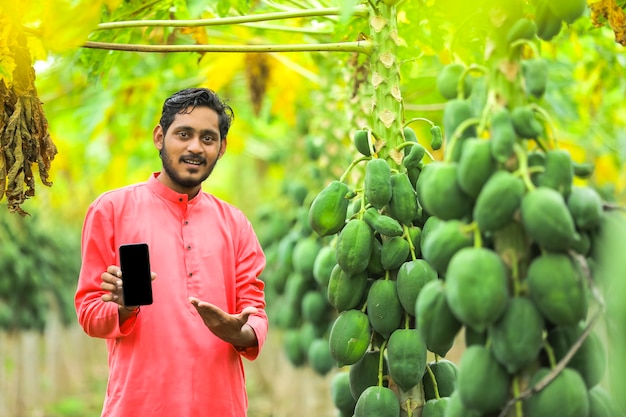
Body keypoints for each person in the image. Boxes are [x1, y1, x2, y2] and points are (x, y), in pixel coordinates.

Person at [74, 87, 268, 417]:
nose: (195, 147)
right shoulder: (111, 210)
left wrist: (238, 331)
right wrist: (124, 308)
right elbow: (89, 313)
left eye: (208, 138)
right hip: (138, 407)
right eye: (183, 134)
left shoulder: (235, 223)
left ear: (221, 148)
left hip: (221, 408)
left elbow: (256, 315)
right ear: (159, 137)